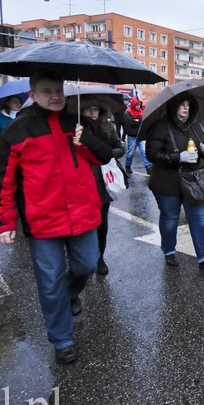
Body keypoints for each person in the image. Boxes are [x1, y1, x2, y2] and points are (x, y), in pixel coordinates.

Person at [0, 69, 114, 364]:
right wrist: (3, 221)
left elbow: (104, 156)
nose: (55, 96)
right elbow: (0, 179)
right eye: (47, 91)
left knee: (86, 264)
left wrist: (87, 141)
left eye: (58, 90)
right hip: (43, 220)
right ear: (33, 95)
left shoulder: (78, 123)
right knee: (50, 282)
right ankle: (62, 339)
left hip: (83, 213)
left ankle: (71, 293)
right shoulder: (18, 131)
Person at [145, 94, 204, 270]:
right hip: (167, 182)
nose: (185, 108)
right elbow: (152, 154)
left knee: (199, 219)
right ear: (173, 107)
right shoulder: (160, 126)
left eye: (188, 105)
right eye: (181, 105)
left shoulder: (194, 125)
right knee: (170, 219)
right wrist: (178, 157)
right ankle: (169, 250)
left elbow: (199, 148)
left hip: (193, 181)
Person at [76, 99, 124, 276]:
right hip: (80, 184)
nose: (91, 112)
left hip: (102, 184)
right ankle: (82, 257)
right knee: (83, 225)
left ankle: (99, 257)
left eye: (95, 109)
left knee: (102, 224)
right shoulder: (74, 127)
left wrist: (106, 154)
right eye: (87, 109)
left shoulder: (108, 127)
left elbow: (119, 148)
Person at [122, 97, 151, 175]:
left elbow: (143, 121)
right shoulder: (128, 112)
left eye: (139, 105)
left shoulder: (142, 112)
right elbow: (130, 123)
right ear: (133, 105)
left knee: (144, 152)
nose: (138, 107)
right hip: (132, 136)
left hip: (141, 135)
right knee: (130, 153)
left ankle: (148, 167)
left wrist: (137, 120)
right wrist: (138, 121)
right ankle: (127, 166)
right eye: (137, 105)